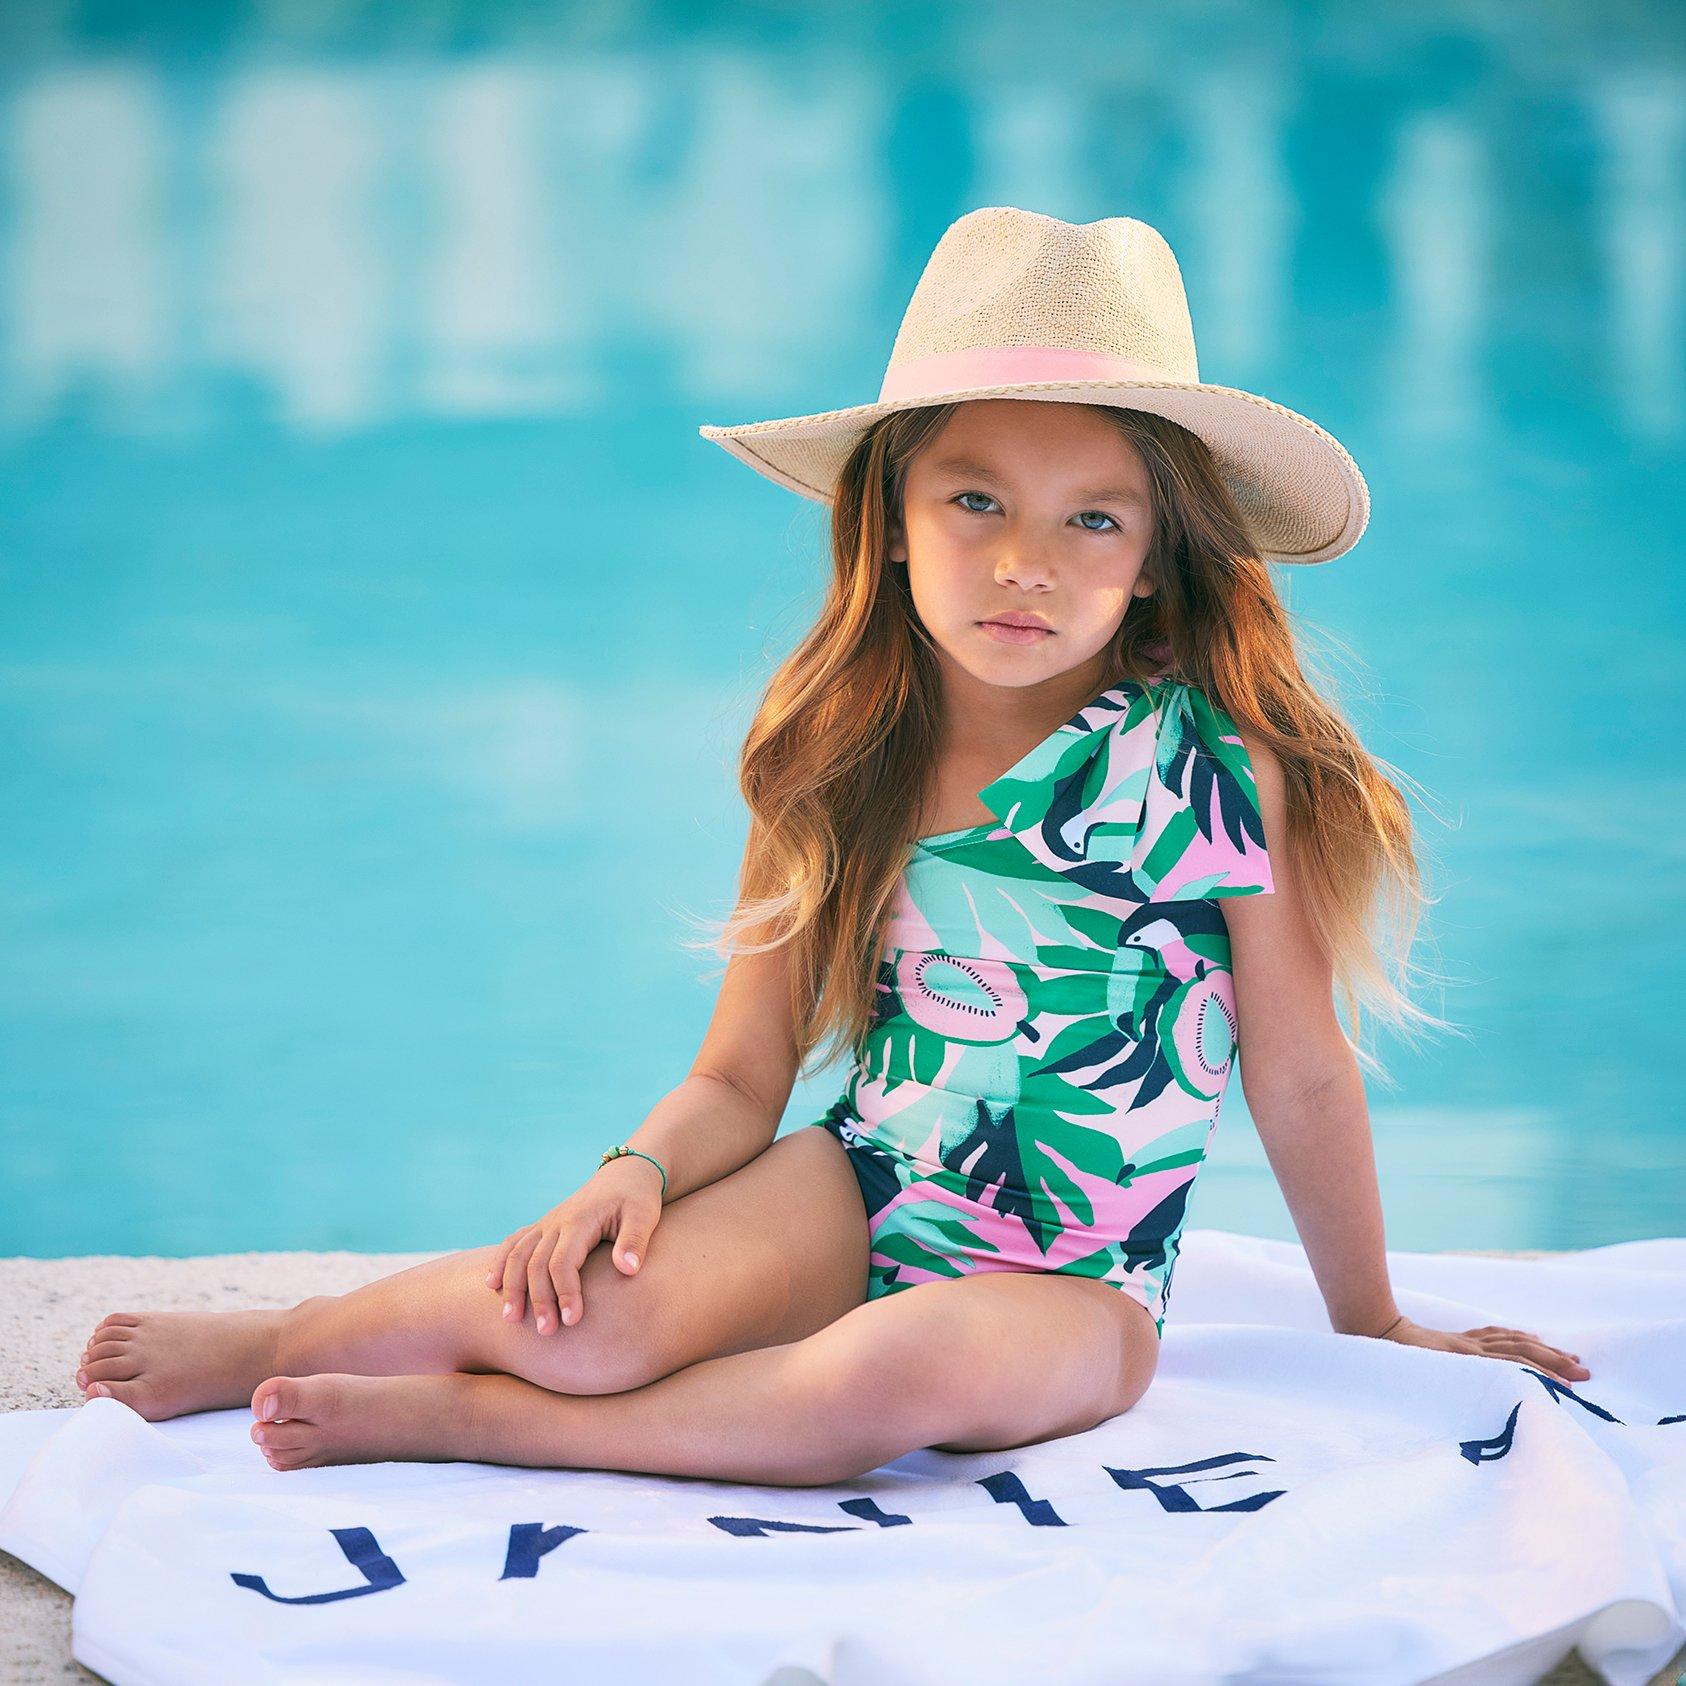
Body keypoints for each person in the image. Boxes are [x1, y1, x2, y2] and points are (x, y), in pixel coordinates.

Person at [73, 207, 1588, 1482]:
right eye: (976, 500)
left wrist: (1373, 1319)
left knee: (886, 1380)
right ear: (892, 518)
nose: (1025, 563)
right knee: (585, 1314)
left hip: (1074, 1289)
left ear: (1151, 562)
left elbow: (1300, 1070)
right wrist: (634, 1171)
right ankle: (286, 1340)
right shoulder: (838, 759)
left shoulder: (1210, 771)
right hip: (853, 1190)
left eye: (1092, 521)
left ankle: (486, 1425)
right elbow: (744, 1072)